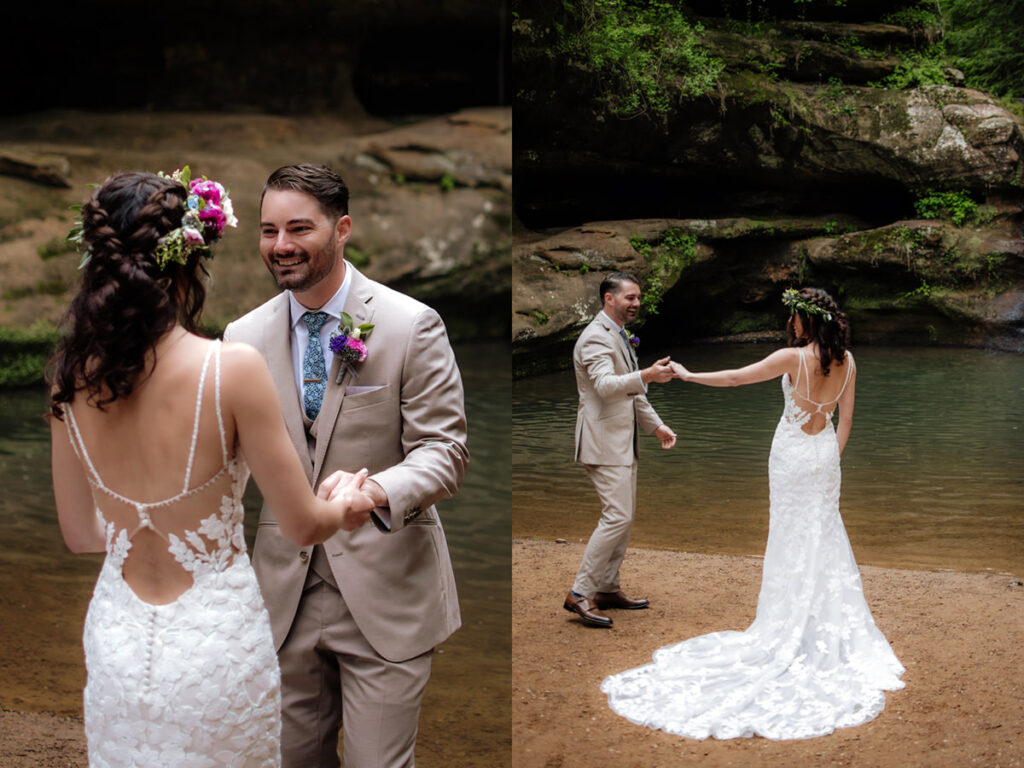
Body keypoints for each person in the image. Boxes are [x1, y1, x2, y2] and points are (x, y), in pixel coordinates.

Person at [49, 169, 377, 767]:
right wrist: (350, 504)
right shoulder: (231, 369)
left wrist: (140, 529)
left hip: (118, 635)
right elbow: (304, 524)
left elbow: (79, 536)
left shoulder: (70, 378)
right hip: (213, 644)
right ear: (186, 261)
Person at [223, 163, 468, 768]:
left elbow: (445, 451)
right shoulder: (239, 337)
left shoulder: (412, 324)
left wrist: (378, 491)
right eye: (268, 231)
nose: (281, 247)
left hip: (387, 595)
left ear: (343, 228)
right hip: (280, 598)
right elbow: (220, 467)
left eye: (299, 228)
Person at [601, 287, 905, 739]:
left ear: (806, 319)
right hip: (824, 459)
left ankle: (789, 627)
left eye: (794, 317)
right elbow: (846, 422)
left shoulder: (792, 358)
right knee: (824, 537)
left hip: (790, 458)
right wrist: (827, 460)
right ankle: (826, 626)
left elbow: (736, 379)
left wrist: (687, 375)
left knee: (789, 539)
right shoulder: (849, 361)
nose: (791, 324)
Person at [563, 272, 677, 628]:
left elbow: (630, 394)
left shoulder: (617, 334)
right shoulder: (595, 338)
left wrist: (655, 426)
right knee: (617, 517)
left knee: (624, 520)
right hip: (602, 441)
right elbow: (606, 386)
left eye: (638, 297)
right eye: (630, 297)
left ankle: (608, 588)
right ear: (608, 299)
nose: (637, 303)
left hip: (622, 441)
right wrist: (645, 374)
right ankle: (581, 593)